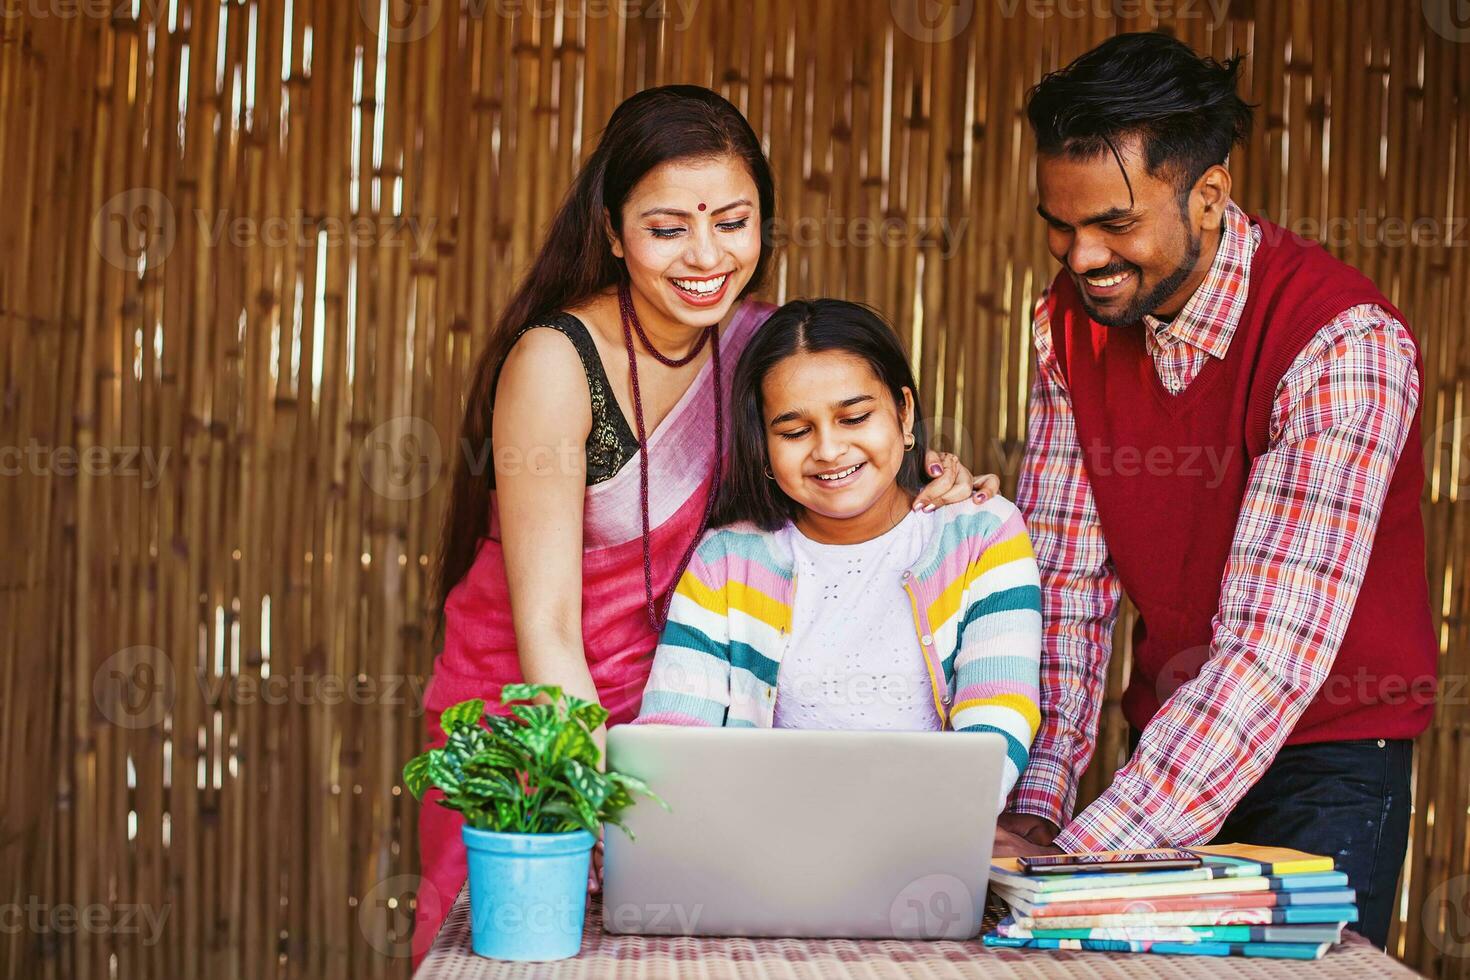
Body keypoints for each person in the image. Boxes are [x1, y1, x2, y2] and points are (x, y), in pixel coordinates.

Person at [417, 85, 996, 957]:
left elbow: (843, 468)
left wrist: (934, 492)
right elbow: (546, 628)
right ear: (612, 231)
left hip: (689, 720)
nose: (706, 256)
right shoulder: (556, 362)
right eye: (667, 228)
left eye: (733, 221)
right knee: (526, 952)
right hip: (535, 722)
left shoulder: (757, 345)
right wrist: (596, 796)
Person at [996, 32, 1437, 950]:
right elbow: (1068, 590)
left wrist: (1080, 867)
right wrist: (1037, 812)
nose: (1081, 258)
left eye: (1115, 225)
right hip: (1164, 751)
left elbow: (1268, 660)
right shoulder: (1067, 322)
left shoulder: (1342, 345)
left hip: (1326, 769)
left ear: (1208, 194)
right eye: (1059, 223)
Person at [634, 298, 1042, 812]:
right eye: (795, 431)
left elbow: (997, 720)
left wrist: (929, 824)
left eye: (854, 417)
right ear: (763, 443)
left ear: (905, 412)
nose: (828, 449)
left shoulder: (980, 533)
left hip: (923, 847)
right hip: (755, 847)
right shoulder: (727, 560)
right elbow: (674, 735)